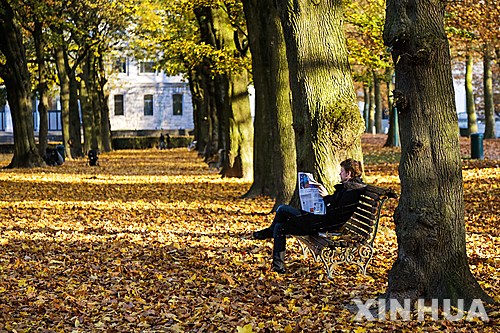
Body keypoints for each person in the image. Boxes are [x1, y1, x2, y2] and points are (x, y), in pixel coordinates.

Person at [253, 158, 366, 274]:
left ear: (348, 173)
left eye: (342, 171)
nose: (339, 174)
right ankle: (278, 267)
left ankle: (267, 233)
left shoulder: (351, 191)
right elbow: (335, 207)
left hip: (324, 224)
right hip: (321, 220)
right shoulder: (349, 188)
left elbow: (335, 213)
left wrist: (326, 197)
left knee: (282, 209)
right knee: (280, 227)